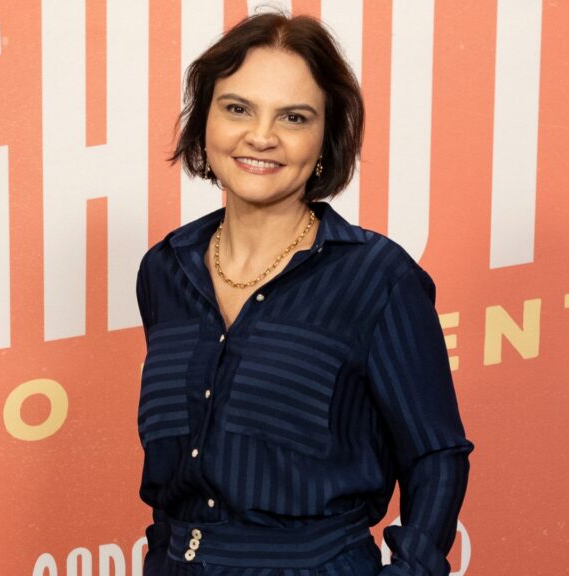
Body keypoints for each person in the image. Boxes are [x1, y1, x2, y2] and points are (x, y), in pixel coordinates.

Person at [136, 12, 472, 576]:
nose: (260, 136)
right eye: (237, 108)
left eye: (293, 117)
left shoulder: (376, 277)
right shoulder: (166, 269)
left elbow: (436, 454)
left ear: (325, 138)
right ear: (205, 120)